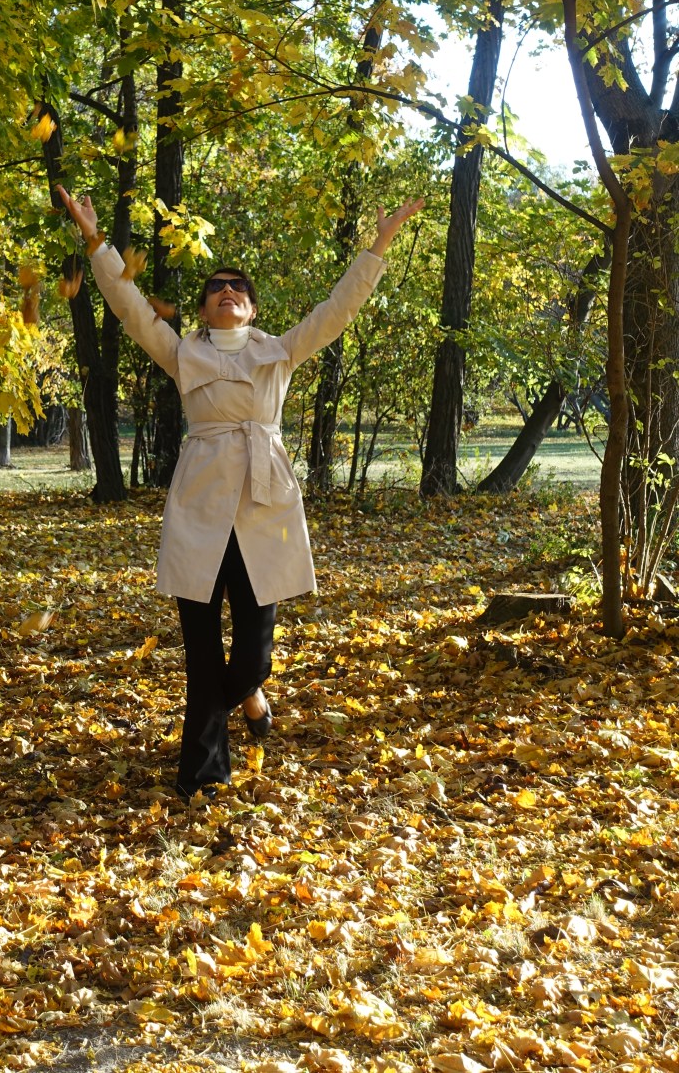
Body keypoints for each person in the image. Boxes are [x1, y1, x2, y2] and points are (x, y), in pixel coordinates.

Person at [56, 184, 423, 800]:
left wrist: (378, 246)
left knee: (254, 654)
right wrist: (96, 240)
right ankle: (203, 776)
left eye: (239, 289)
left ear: (251, 309)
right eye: (216, 288)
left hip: (263, 504)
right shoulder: (182, 353)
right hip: (199, 508)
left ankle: (250, 688)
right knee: (202, 653)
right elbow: (130, 308)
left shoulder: (279, 352)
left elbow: (338, 310)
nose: (228, 291)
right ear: (204, 310)